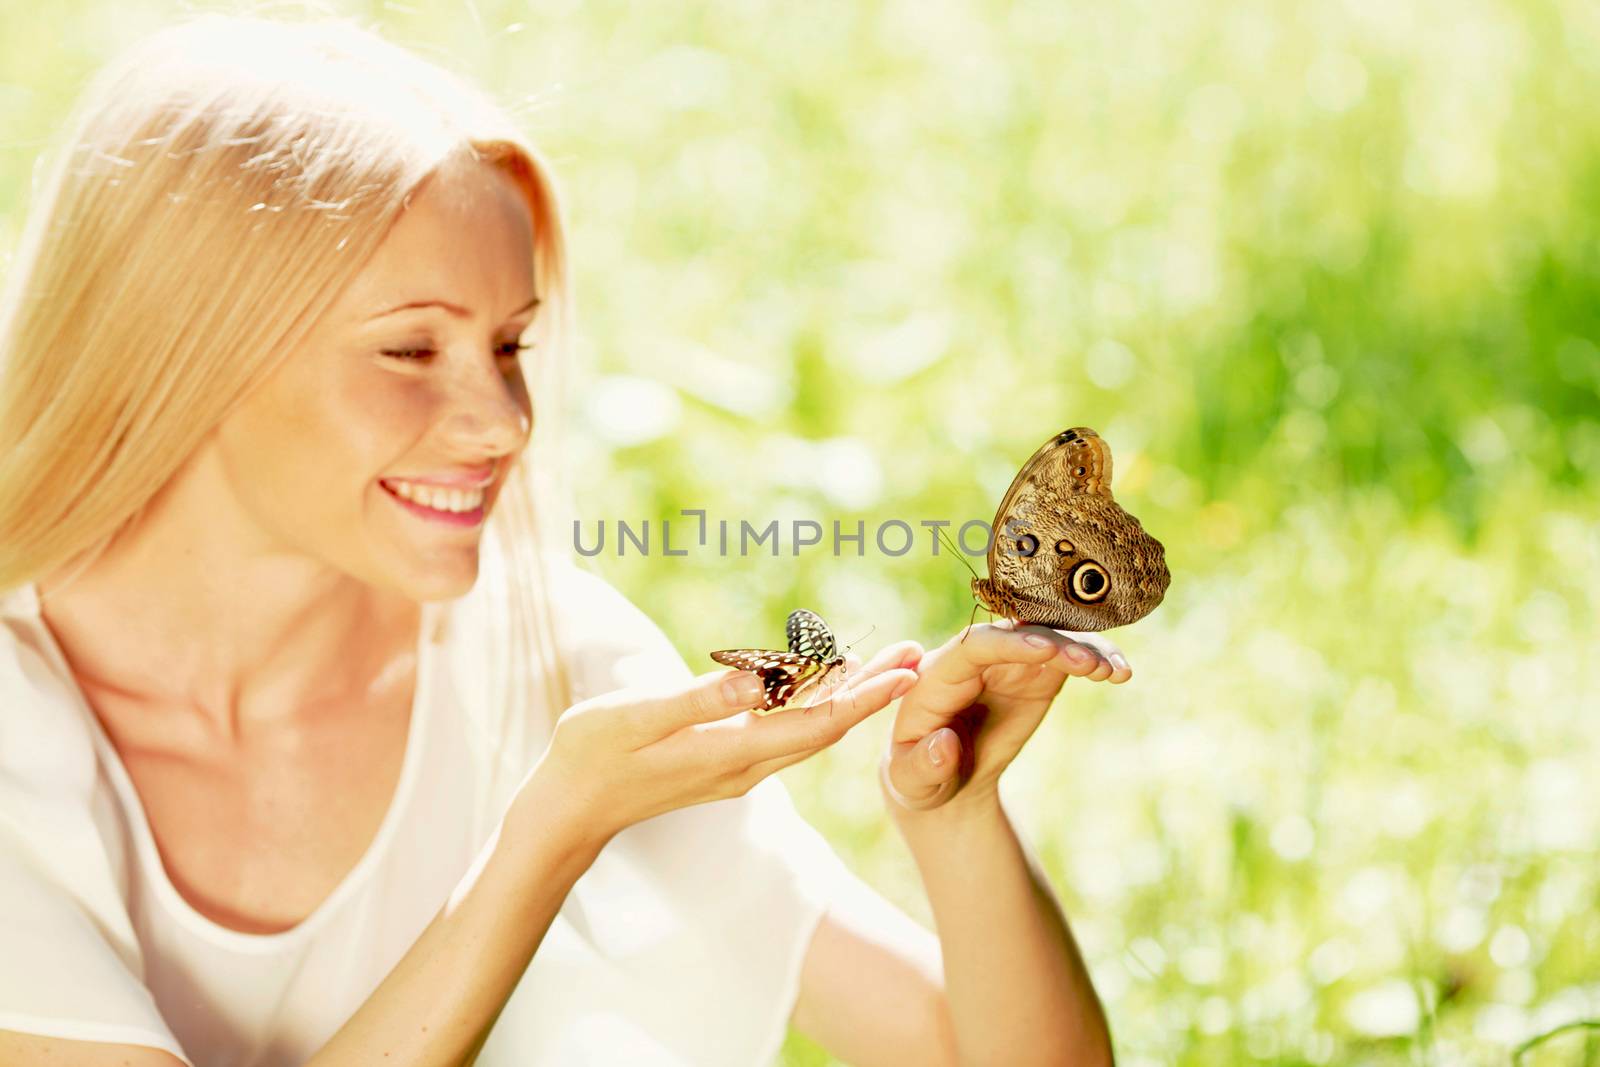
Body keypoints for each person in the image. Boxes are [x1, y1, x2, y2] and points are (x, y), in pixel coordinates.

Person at [0, 13, 1128, 1066]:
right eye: (409, 351)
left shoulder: (543, 659)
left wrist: (957, 811)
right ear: (183, 348)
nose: (504, 420)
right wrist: (547, 836)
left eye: (508, 345)